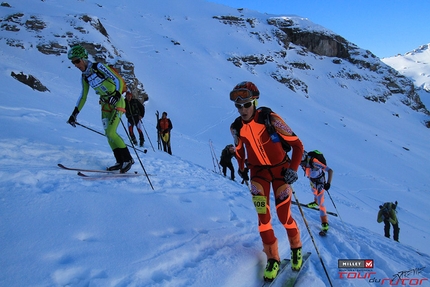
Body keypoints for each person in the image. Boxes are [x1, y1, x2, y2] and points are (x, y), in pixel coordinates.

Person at [229, 81, 304, 281]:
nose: (242, 109)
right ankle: (273, 258)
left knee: (283, 215)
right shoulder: (236, 127)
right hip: (258, 173)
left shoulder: (270, 119)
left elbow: (298, 146)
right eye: (238, 106)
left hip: (280, 171)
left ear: (255, 101)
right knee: (263, 218)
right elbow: (239, 151)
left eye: (246, 104)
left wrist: (293, 170)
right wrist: (242, 168)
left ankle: (296, 247)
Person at [66, 45, 134, 173]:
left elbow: (117, 80)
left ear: (84, 58)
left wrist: (117, 94)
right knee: (108, 135)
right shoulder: (85, 77)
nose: (75, 64)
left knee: (111, 132)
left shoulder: (99, 67)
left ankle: (128, 159)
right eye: (73, 62)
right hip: (105, 104)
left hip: (117, 101)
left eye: (77, 61)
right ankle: (119, 161)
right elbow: (83, 96)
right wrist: (74, 113)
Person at [300, 151, 333, 233]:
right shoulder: (301, 161)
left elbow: (330, 170)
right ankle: (315, 202)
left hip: (320, 182)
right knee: (314, 193)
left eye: (302, 163)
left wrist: (328, 183)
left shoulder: (314, 161)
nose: (301, 165)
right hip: (312, 181)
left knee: (321, 202)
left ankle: (324, 223)